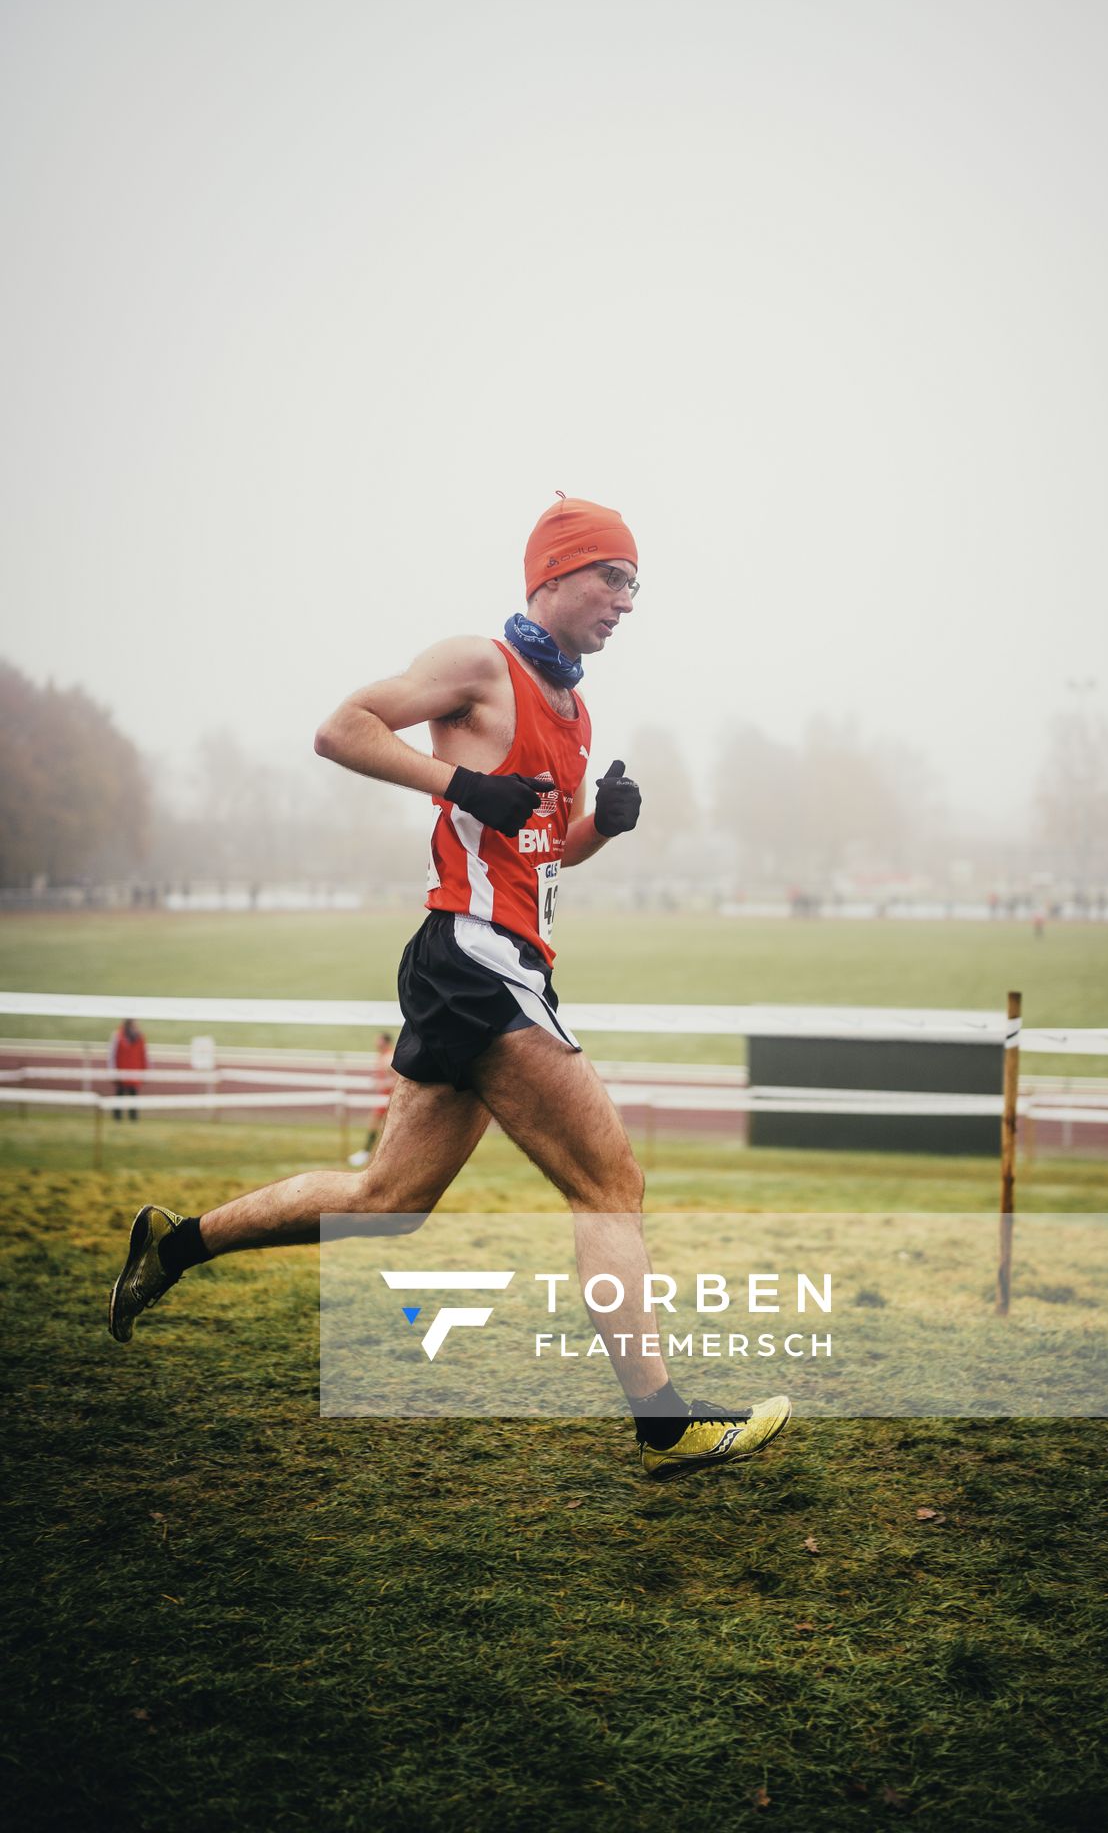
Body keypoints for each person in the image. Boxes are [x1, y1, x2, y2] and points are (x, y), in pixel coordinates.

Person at [109, 495, 790, 1480]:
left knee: (388, 1200)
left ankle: (170, 1251)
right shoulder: (479, 665)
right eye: (613, 576)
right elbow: (340, 730)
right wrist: (458, 784)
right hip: (474, 961)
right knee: (610, 1184)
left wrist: (604, 824)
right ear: (552, 574)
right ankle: (664, 1424)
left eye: (635, 584)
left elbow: (540, 853)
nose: (627, 602)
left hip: (491, 960)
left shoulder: (573, 707)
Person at [348, 1032, 395, 1167]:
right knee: (376, 1124)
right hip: (384, 1096)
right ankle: (369, 1152)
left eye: (378, 1040)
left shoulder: (389, 1058)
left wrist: (383, 1084)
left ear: (385, 1042)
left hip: (389, 1097)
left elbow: (398, 1080)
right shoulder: (382, 1056)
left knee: (383, 1125)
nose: (375, 1042)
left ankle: (371, 1153)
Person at [108, 1018, 148, 1121]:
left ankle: (133, 1117)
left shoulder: (140, 1036)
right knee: (120, 1093)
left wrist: (145, 1069)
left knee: (133, 1094)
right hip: (121, 1070)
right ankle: (117, 1116)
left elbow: (143, 1054)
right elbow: (112, 1054)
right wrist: (112, 1070)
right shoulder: (118, 1035)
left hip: (135, 1071)